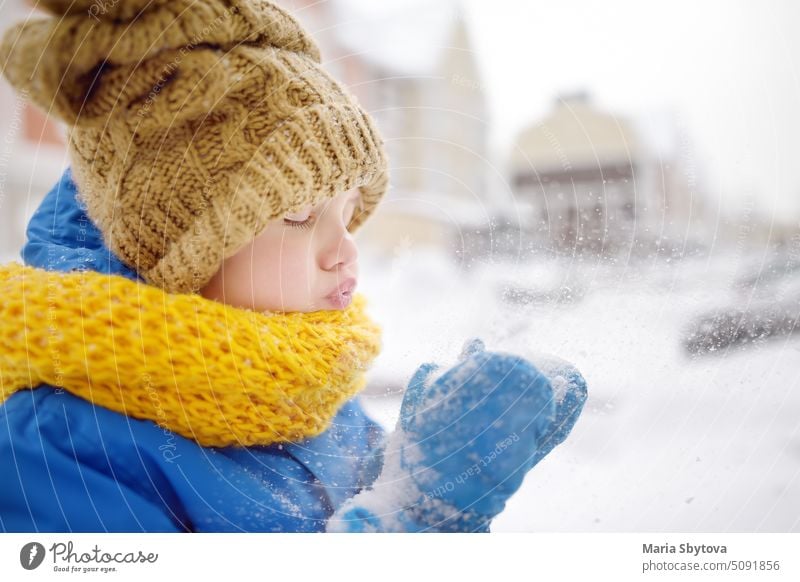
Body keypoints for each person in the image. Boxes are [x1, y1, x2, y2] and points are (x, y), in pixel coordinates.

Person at [0, 0, 587, 533]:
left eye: (350, 211)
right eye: (302, 214)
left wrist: (417, 462)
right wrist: (413, 524)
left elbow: (351, 496)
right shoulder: (59, 448)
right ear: (177, 246)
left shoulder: (302, 380)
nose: (346, 250)